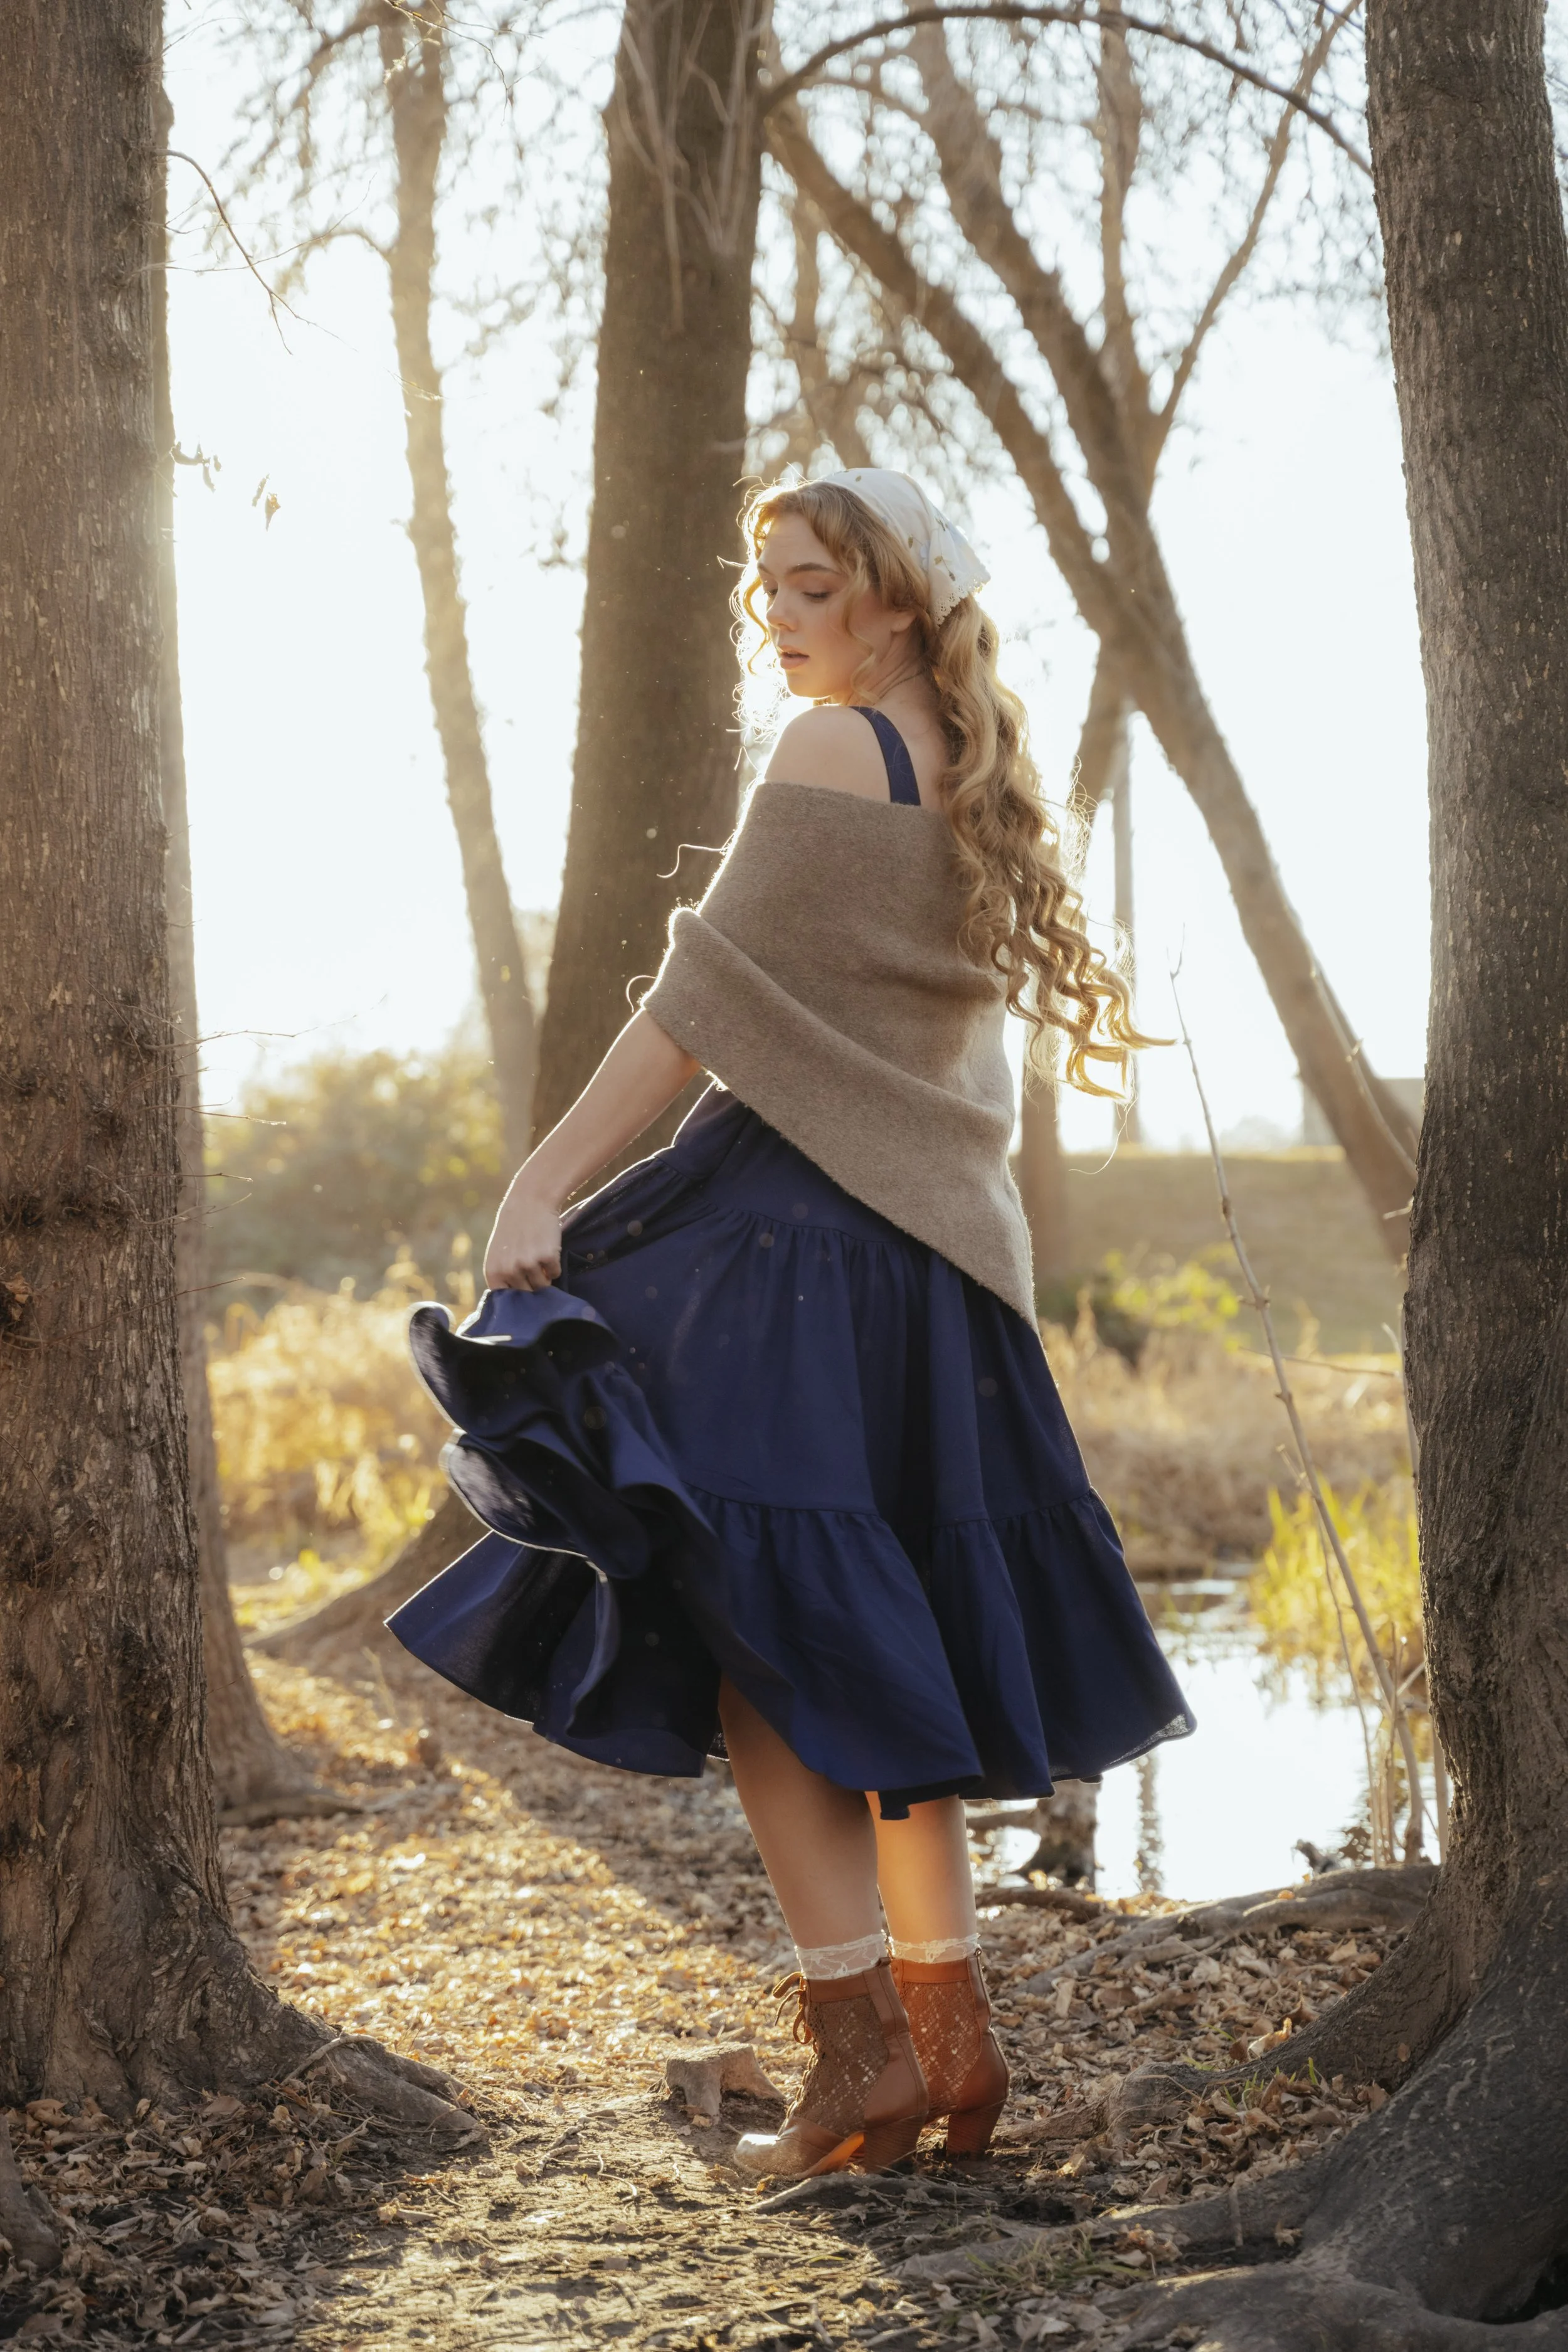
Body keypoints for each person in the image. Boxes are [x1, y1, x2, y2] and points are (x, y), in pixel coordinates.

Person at [388, 470, 1195, 2179]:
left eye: (811, 587)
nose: (777, 617)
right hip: (931, 1273)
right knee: (876, 1656)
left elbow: (693, 1005)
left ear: (898, 600)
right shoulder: (964, 772)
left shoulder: (830, 756)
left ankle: (857, 2057)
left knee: (770, 1647)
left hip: (803, 1248)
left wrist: (541, 1179)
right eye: (763, 586)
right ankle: (946, 2051)